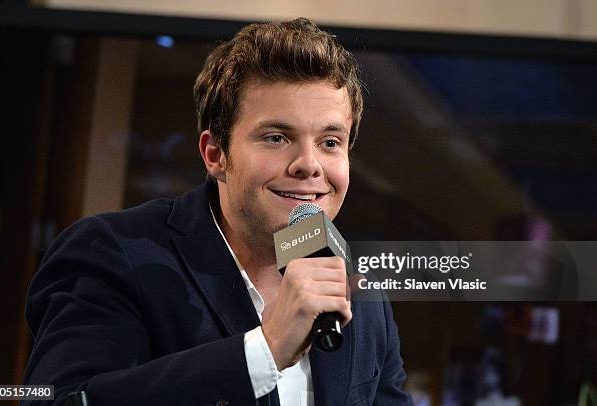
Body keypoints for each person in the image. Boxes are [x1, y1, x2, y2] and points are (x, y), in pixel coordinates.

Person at [23, 18, 413, 405]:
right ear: (215, 154)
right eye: (277, 137)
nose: (308, 165)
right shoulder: (111, 253)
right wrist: (265, 351)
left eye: (330, 142)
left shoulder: (363, 300)